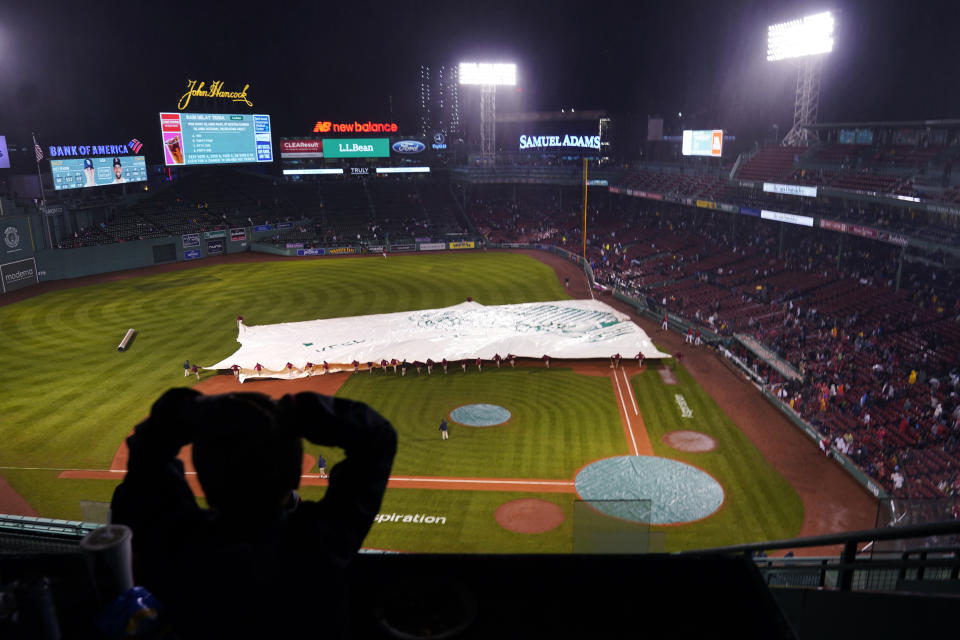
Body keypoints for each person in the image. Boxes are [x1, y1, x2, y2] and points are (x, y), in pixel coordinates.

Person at [110, 388, 397, 637]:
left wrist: (200, 409)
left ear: (205, 478)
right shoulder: (321, 544)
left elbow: (148, 456)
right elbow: (377, 436)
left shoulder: (178, 545)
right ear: (294, 476)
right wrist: (290, 411)